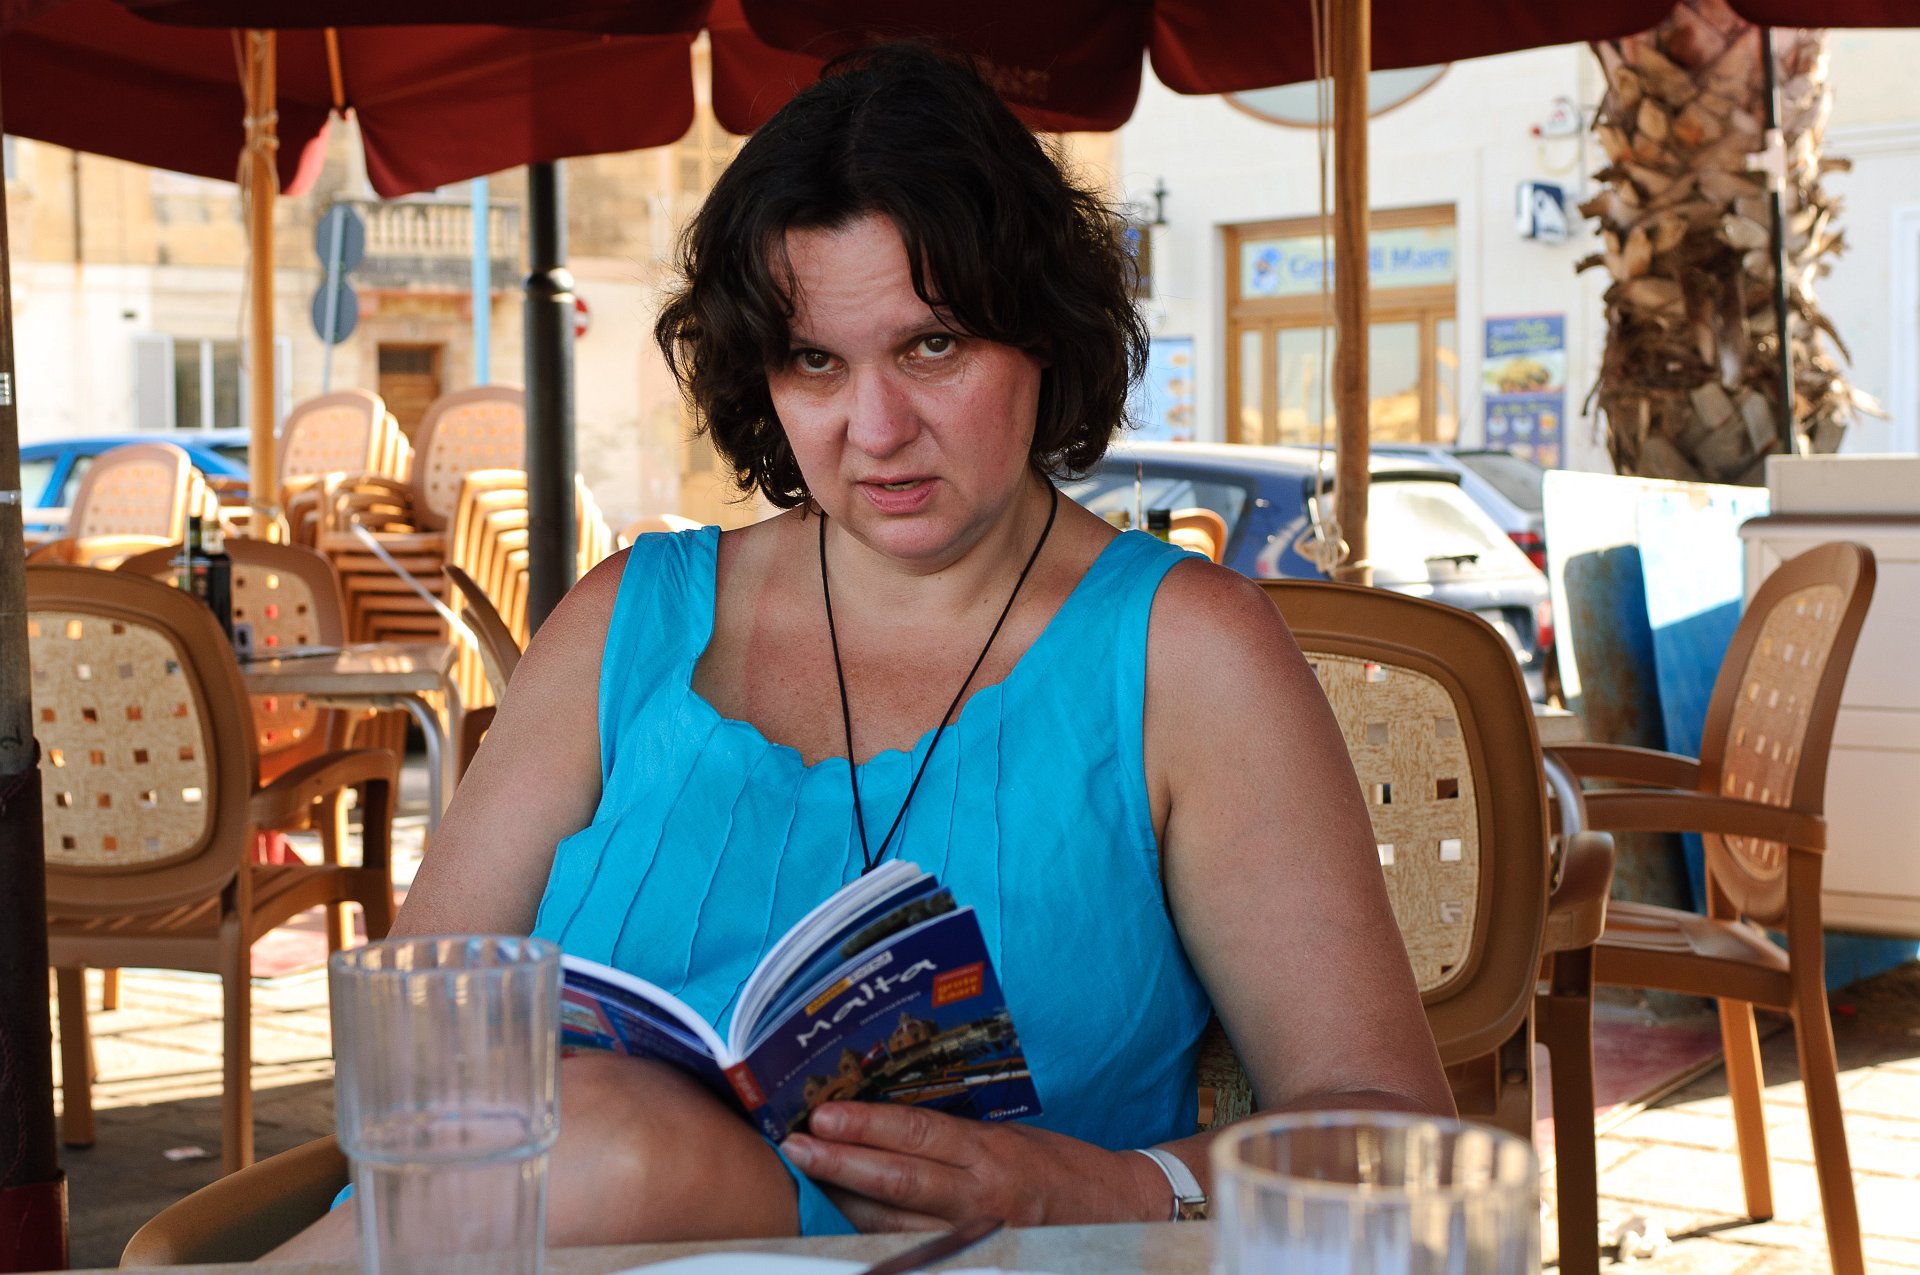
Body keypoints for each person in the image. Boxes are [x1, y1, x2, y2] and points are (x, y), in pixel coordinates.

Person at [274, 43, 1450, 1256]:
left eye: (932, 346)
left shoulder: (1185, 655)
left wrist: (1100, 1189)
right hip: (506, 1248)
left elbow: (1391, 1138)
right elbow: (411, 1054)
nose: (877, 430)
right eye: (816, 362)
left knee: (619, 1142)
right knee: (606, 1135)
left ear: (1044, 335)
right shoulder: (627, 620)